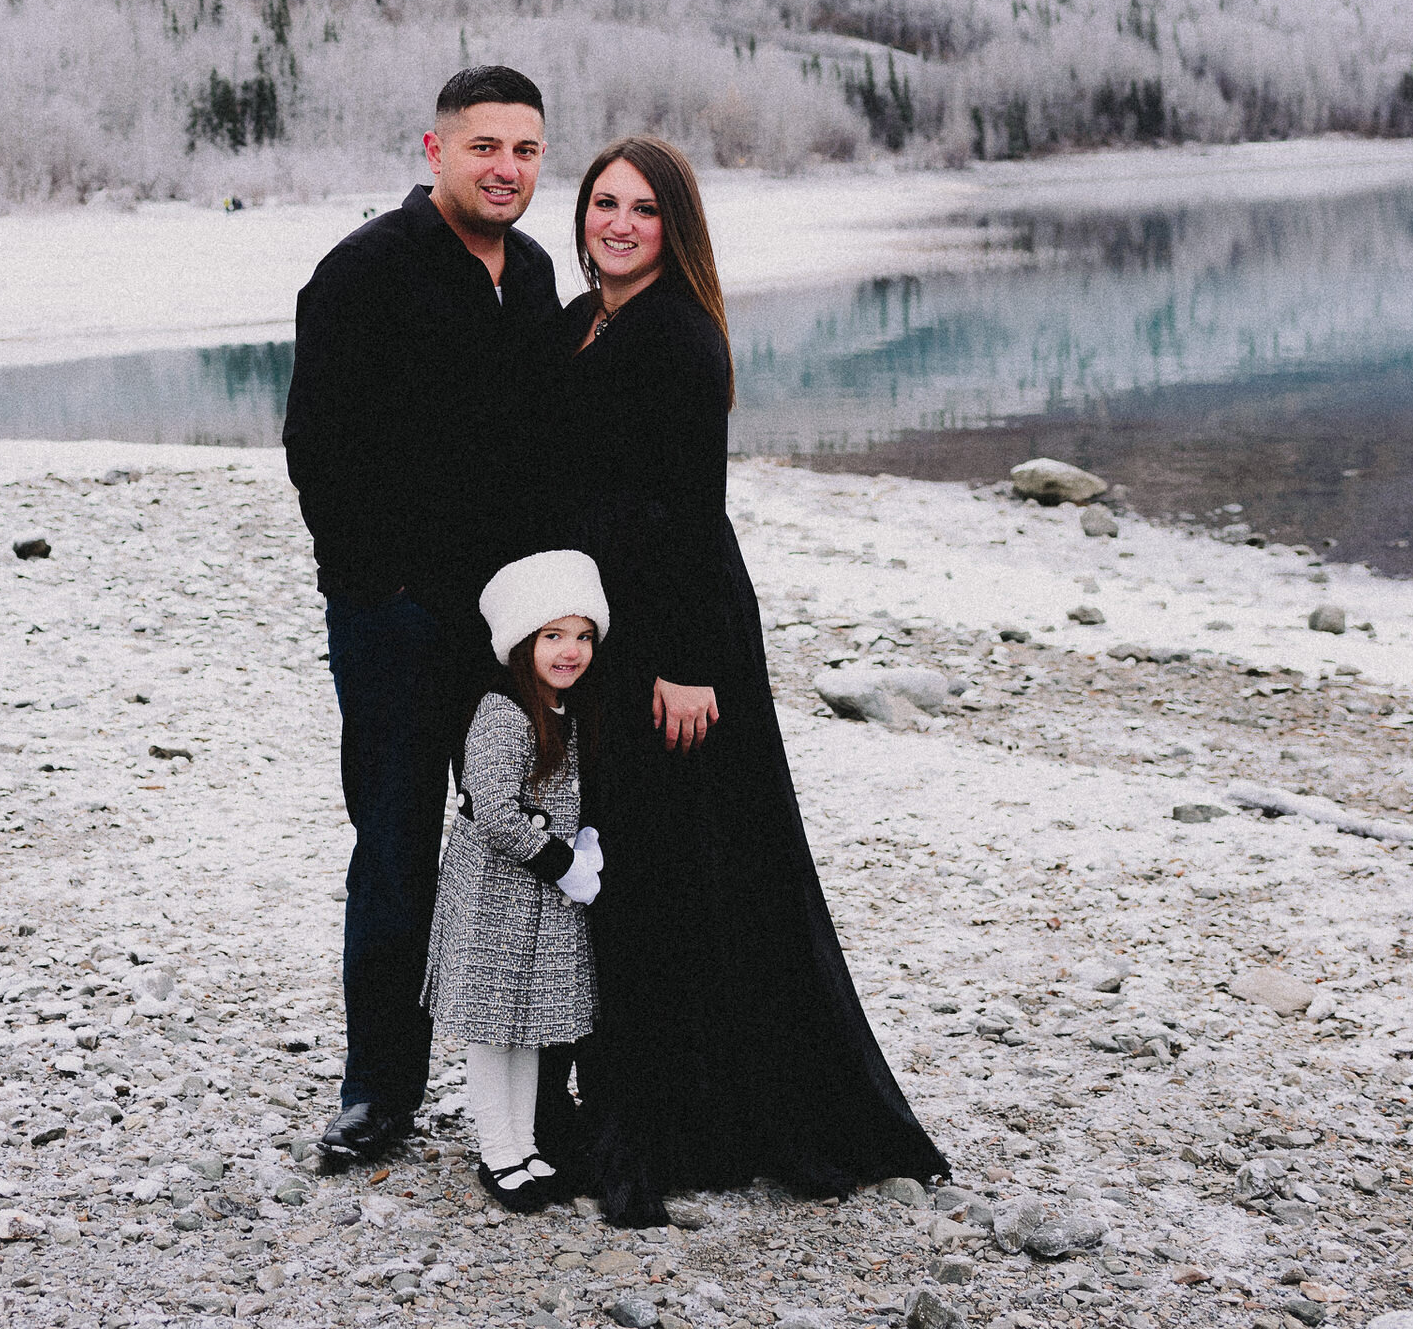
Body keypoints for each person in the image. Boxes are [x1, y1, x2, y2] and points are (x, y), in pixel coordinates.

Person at [558, 135, 948, 1225]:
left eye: (640, 207)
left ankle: (697, 1116)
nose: (617, 222)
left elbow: (691, 506)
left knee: (691, 861)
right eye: (602, 204)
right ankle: (663, 1094)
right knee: (647, 860)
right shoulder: (582, 319)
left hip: (674, 625)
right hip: (603, 613)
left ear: (672, 224)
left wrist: (682, 666)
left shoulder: (677, 335)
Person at [284, 65, 562, 1172]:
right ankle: (378, 1094)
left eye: (527, 151)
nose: (505, 168)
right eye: (484, 146)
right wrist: (376, 591)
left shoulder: (534, 273)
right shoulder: (362, 271)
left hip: (514, 627)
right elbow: (317, 448)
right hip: (398, 622)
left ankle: (538, 1094)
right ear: (433, 149)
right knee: (396, 849)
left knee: (527, 841)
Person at [421, 550, 607, 1212]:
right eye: (553, 636)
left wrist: (581, 841)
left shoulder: (568, 710)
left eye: (583, 636)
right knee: (494, 1028)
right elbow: (494, 809)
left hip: (540, 899)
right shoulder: (503, 713)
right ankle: (497, 1151)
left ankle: (526, 1144)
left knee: (529, 1026)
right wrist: (564, 862)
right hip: (498, 895)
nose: (570, 650)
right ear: (522, 641)